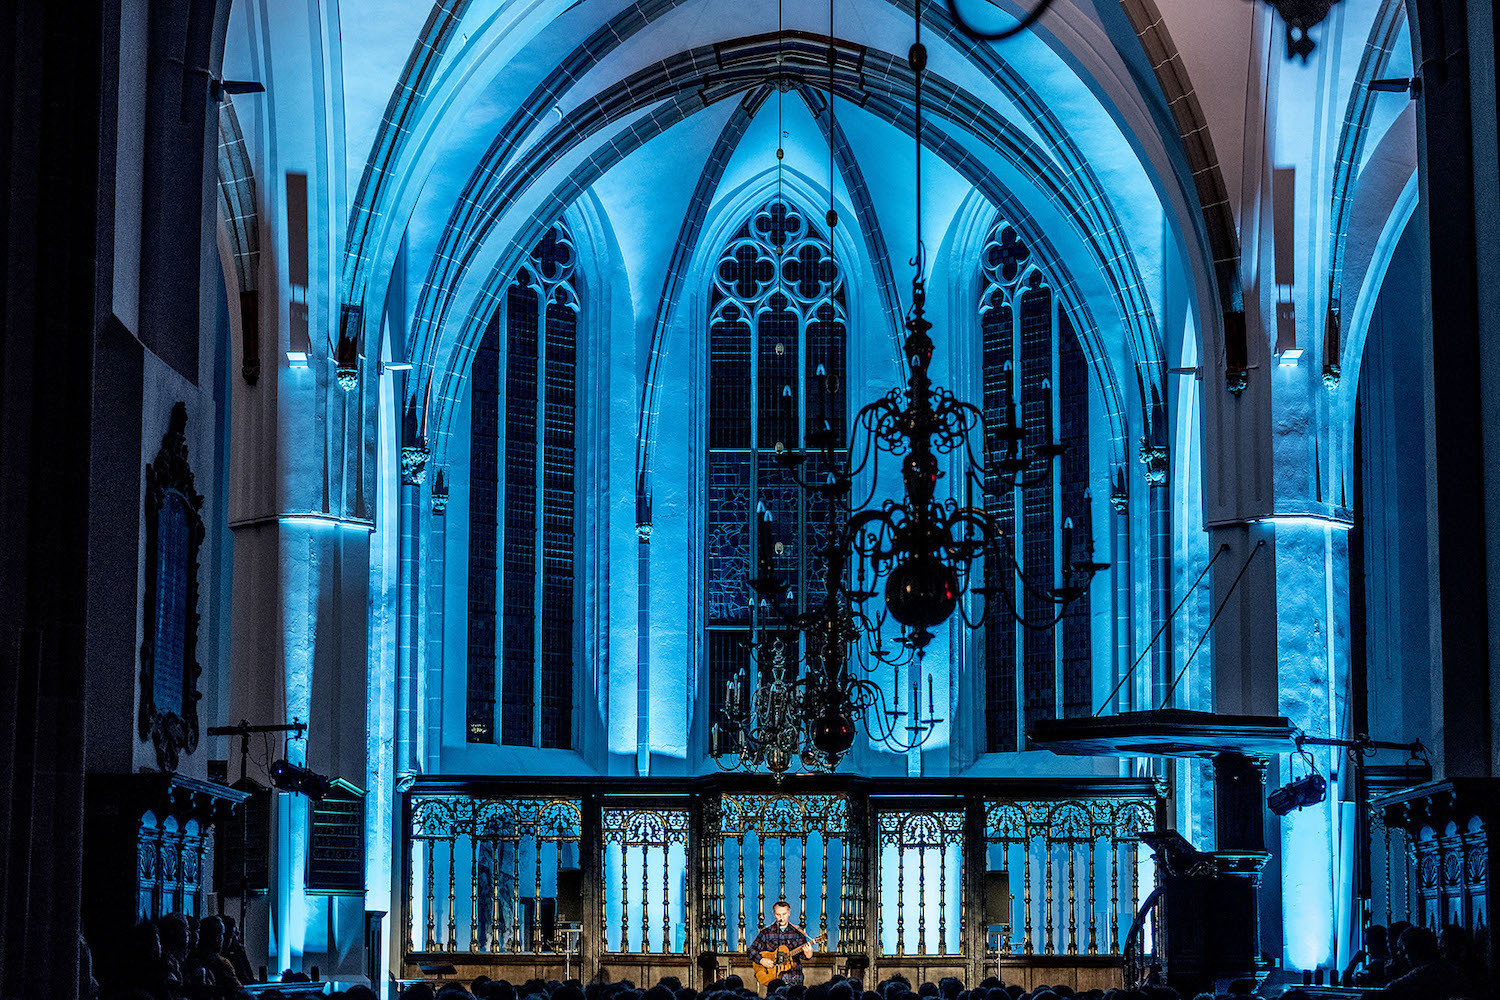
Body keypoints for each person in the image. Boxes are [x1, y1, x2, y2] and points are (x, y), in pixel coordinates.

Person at [1360, 924, 1472, 999]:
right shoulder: (1450, 968)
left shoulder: (1425, 972)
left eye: (1404, 952)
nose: (1401, 956)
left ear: (1414, 952)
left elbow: (1390, 991)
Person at [748, 901, 815, 989]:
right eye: (778, 915)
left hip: (794, 979)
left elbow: (803, 956)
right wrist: (761, 960)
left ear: (789, 913)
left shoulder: (797, 932)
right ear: (774, 914)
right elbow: (750, 951)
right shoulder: (766, 932)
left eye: (784, 914)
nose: (781, 918)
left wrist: (808, 954)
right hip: (774, 981)